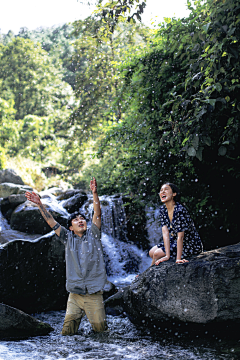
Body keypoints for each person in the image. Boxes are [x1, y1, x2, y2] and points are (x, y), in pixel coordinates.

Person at [25, 177, 108, 335]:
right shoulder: (67, 238)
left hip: (93, 294)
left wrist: (95, 193)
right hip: (74, 295)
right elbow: (51, 222)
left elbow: (97, 213)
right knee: (67, 334)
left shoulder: (94, 234)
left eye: (82, 218)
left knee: (102, 334)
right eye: (76, 220)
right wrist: (40, 204)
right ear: (70, 228)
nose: (80, 220)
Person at [149, 182, 203, 266]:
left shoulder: (179, 210)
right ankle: (148, 274)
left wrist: (178, 258)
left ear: (174, 194)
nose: (162, 192)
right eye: (161, 190)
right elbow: (165, 233)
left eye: (166, 189)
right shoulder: (163, 210)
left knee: (156, 254)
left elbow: (181, 237)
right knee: (152, 252)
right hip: (174, 240)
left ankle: (148, 274)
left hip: (190, 243)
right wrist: (167, 255)